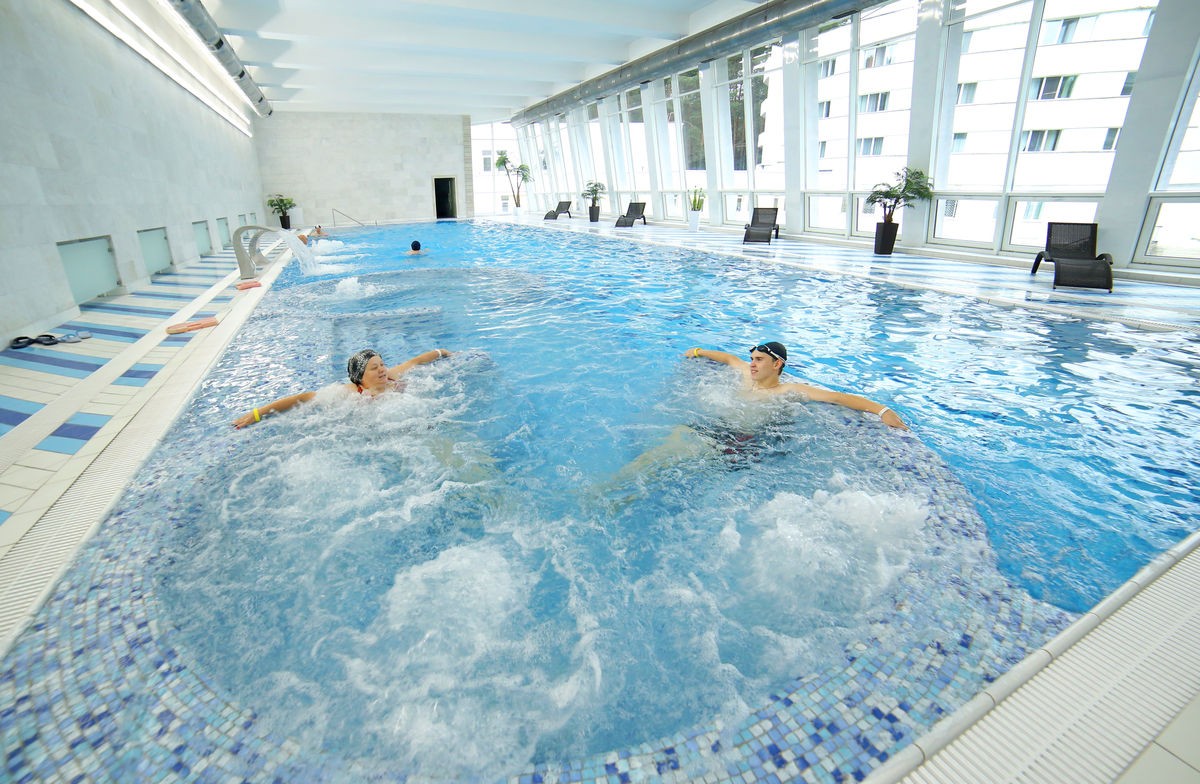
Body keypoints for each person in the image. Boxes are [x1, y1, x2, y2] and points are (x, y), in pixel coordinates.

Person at [686, 342, 907, 429]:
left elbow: (836, 397)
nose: (752, 364)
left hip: (743, 440)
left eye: (759, 360)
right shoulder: (746, 373)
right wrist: (698, 351)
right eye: (752, 359)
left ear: (777, 364)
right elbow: (729, 358)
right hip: (717, 426)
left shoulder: (788, 390)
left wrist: (882, 411)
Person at [232, 347, 453, 428]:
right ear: (360, 377)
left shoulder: (392, 377)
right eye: (374, 367)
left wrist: (443, 353)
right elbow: (303, 398)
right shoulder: (350, 393)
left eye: (382, 364)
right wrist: (258, 414)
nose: (382, 370)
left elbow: (417, 361)